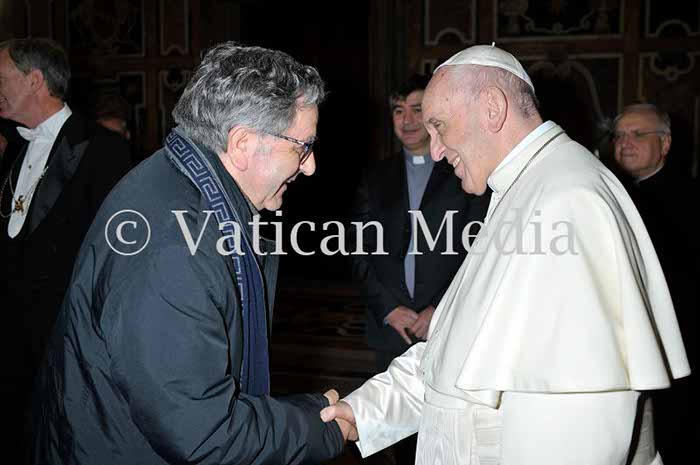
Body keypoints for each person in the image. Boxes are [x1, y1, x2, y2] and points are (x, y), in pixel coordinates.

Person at [322, 44, 690, 465]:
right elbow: (453, 355)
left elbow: (578, 429)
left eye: (439, 126)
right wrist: (364, 412)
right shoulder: (523, 187)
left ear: (492, 109)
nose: (435, 150)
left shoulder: (567, 201)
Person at [30, 41, 346, 465]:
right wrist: (320, 424)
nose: (309, 165)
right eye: (301, 146)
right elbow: (204, 433)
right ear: (242, 143)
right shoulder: (175, 249)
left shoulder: (178, 178)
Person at [0, 38, 132, 460]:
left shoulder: (104, 150)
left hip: (67, 347)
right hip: (12, 344)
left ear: (34, 80)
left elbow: (120, 256)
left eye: (2, 78)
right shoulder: (14, 147)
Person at [350, 74, 488, 464]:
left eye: (416, 109)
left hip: (449, 322)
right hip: (391, 327)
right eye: (399, 111)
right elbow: (357, 248)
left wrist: (439, 309)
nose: (408, 120)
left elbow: (478, 249)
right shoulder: (375, 175)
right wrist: (388, 309)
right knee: (396, 434)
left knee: (448, 429)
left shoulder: (463, 169)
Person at [613, 103, 698, 464]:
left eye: (637, 134)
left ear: (665, 144)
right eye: (619, 135)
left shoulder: (689, 197)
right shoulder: (610, 190)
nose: (625, 143)